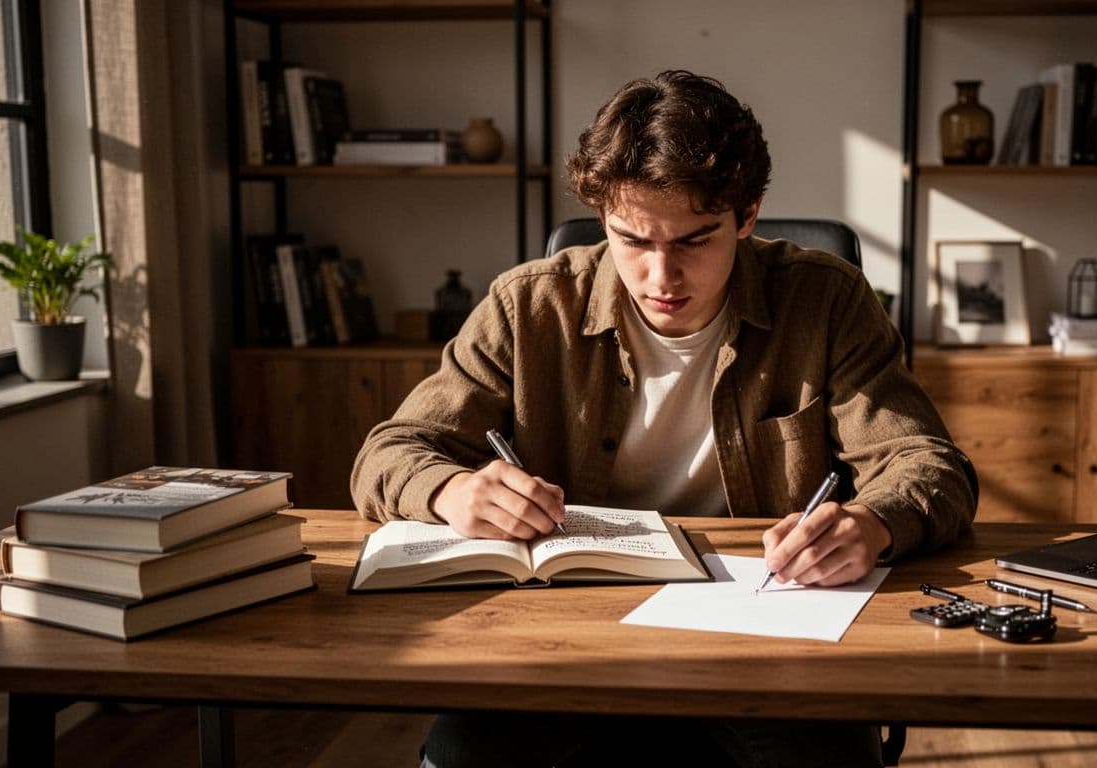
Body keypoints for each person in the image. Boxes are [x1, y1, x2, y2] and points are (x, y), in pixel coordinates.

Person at [352, 70, 977, 768]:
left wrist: (871, 522)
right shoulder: (528, 307)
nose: (660, 277)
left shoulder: (823, 301)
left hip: (765, 632)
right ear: (603, 218)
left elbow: (928, 465)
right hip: (564, 635)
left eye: (692, 241)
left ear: (747, 216)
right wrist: (452, 490)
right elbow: (392, 450)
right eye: (633, 241)